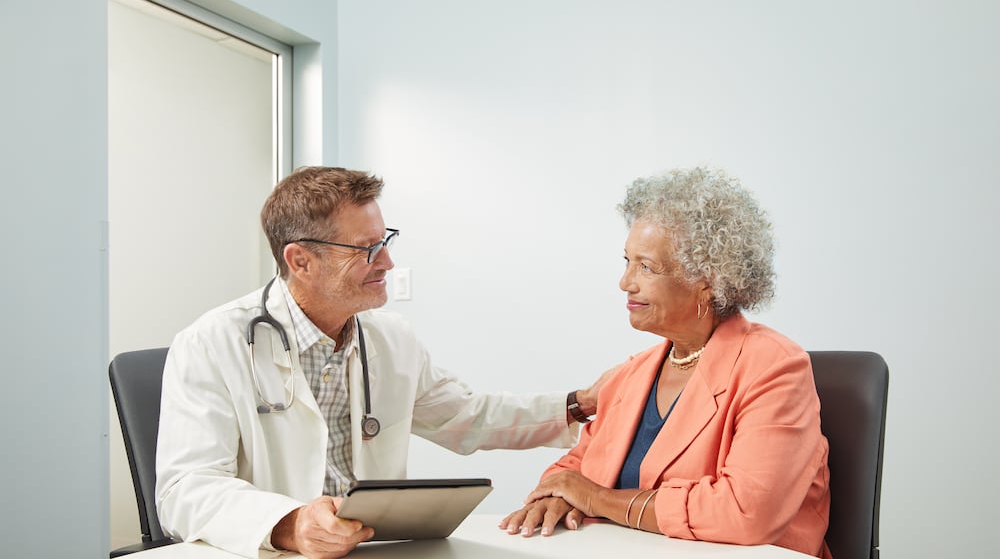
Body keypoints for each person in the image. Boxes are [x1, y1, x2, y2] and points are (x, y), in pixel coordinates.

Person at [155, 166, 608, 559]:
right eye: (366, 248)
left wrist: (578, 404)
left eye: (385, 241)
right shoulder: (212, 344)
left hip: (370, 550)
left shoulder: (391, 339)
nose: (388, 262)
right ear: (301, 260)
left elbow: (467, 417)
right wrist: (290, 524)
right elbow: (185, 490)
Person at [500, 167, 832, 558]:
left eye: (646, 267)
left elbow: (745, 512)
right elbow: (573, 468)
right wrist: (557, 496)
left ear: (707, 280)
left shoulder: (775, 367)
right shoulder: (632, 374)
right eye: (626, 261)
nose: (625, 282)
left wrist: (598, 500)